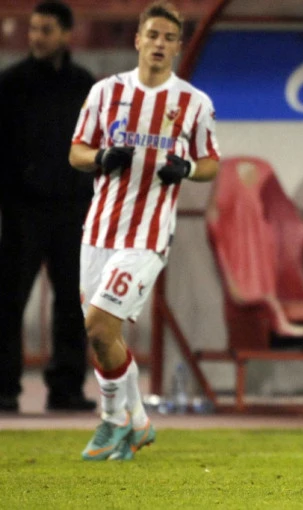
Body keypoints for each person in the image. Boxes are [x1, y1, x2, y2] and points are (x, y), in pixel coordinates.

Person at [68, 1, 220, 460]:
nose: (159, 44)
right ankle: (138, 422)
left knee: (99, 326)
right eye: (152, 35)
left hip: (147, 237)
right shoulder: (105, 92)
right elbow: (77, 151)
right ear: (138, 40)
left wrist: (186, 168)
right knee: (103, 337)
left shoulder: (193, 103)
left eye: (168, 38)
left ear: (178, 47)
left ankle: (112, 419)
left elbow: (210, 163)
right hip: (99, 229)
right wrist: (100, 157)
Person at [0, 1, 96, 413]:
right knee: (9, 301)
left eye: (46, 30)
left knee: (73, 303)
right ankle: (4, 388)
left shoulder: (84, 85)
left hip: (73, 210)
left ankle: (66, 388)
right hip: (22, 211)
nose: (36, 37)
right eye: (33, 29)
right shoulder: (10, 83)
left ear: (66, 34)